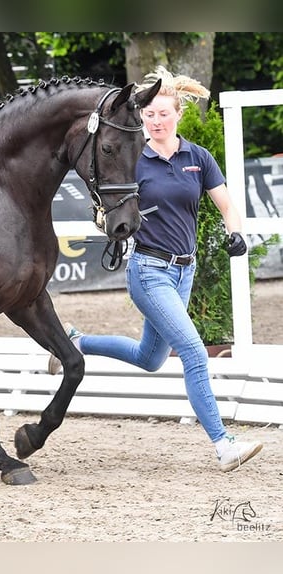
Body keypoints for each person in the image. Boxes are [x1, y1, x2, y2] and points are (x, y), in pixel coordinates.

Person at [47, 66, 263, 472]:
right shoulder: (135, 160)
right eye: (150, 115)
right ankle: (223, 444)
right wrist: (105, 221)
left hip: (185, 271)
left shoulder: (197, 157)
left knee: (150, 357)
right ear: (142, 116)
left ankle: (77, 342)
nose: (157, 121)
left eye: (164, 114)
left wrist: (236, 233)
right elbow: (107, 202)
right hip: (149, 270)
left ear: (178, 114)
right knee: (196, 354)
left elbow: (227, 205)